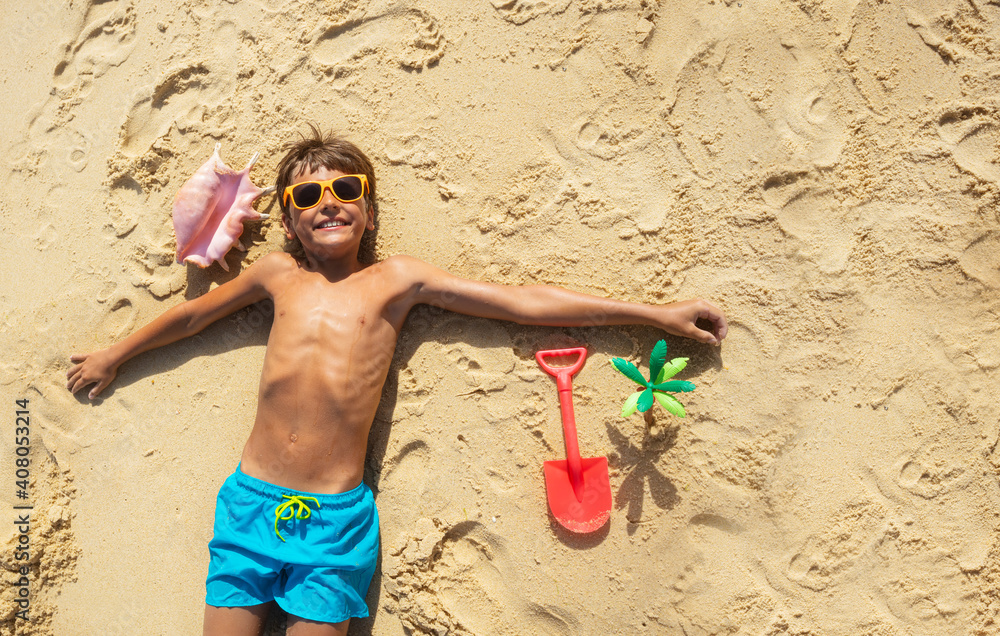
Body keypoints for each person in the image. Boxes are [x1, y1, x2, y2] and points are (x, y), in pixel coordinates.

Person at [67, 125, 728, 636]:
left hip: (334, 523)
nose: (328, 202)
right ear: (292, 222)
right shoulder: (276, 275)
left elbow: (522, 301)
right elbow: (193, 318)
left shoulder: (398, 282)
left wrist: (653, 315)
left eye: (345, 189)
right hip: (249, 508)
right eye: (306, 195)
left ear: (371, 211)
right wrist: (115, 355)